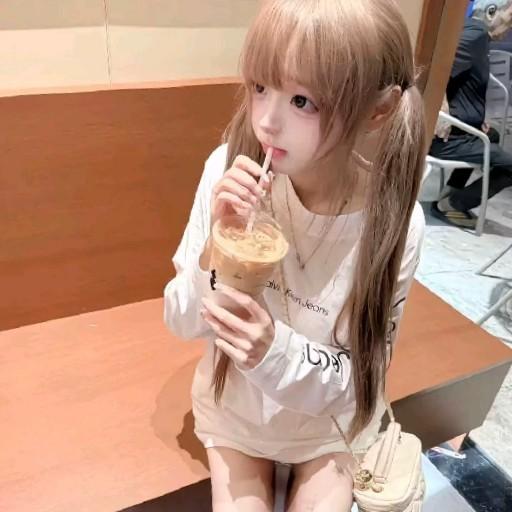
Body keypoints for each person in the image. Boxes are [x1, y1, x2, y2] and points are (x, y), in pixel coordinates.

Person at [164, 0, 426, 510]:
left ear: (377, 110)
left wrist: (273, 352)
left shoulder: (393, 223)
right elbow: (179, 319)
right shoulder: (228, 170)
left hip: (325, 428)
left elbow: (359, 384)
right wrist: (220, 244)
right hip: (235, 415)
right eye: (261, 86)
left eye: (303, 101)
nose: (266, 120)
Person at [430, 0, 512, 228]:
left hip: (462, 130)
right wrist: (440, 109)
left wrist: (477, 116)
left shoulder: (477, 35)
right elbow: (436, 65)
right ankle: (452, 204)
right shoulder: (475, 34)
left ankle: (450, 193)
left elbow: (459, 78)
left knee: (492, 135)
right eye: (510, 19)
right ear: (491, 12)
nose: (509, 28)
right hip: (448, 139)